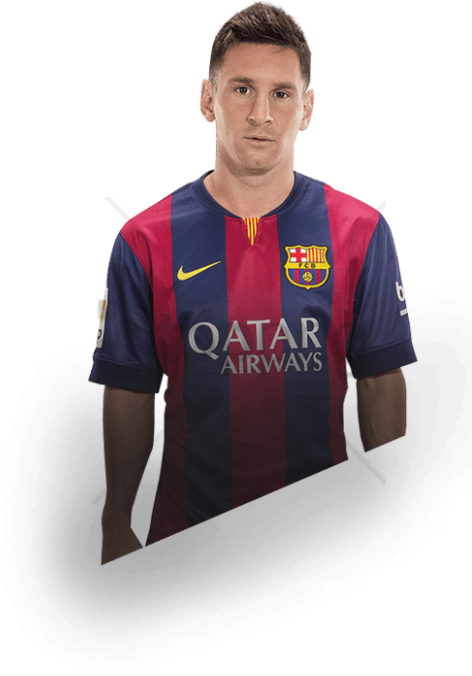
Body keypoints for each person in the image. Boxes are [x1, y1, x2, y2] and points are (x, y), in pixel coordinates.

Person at [90, 2, 417, 565]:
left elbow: (381, 379)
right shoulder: (143, 239)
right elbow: (129, 390)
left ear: (307, 108)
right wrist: (116, 520)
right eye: (242, 89)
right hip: (185, 545)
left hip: (325, 535)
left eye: (281, 93)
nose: (261, 113)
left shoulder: (361, 230)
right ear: (207, 100)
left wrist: (389, 508)